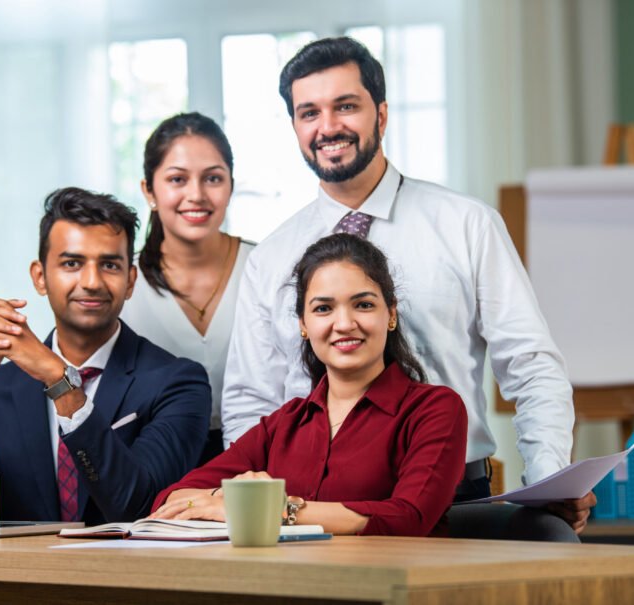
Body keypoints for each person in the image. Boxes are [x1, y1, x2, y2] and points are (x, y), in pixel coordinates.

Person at [220, 36, 594, 536]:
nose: (328, 126)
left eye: (346, 106)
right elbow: (251, 399)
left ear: (382, 113)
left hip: (454, 507)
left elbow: (529, 363)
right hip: (307, 514)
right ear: (294, 126)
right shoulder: (271, 258)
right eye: (309, 112)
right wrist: (258, 509)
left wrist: (548, 478)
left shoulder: (467, 224)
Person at [151, 234, 467, 537]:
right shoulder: (285, 423)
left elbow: (407, 517)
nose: (344, 324)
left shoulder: (435, 409)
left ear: (391, 314)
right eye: (323, 309)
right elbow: (170, 500)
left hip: (392, 586)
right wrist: (229, 496)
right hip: (291, 585)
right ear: (303, 324)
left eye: (364, 305)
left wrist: (272, 508)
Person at [0, 187, 211, 524]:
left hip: (132, 573)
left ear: (130, 281)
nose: (91, 282)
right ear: (40, 277)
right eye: (72, 263)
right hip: (19, 574)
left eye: (110, 265)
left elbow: (139, 507)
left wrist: (60, 381)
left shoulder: (180, 383)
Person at [122, 112, 254, 464]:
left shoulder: (265, 267)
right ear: (149, 190)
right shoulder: (120, 282)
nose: (196, 195)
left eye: (213, 178)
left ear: (230, 185)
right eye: (177, 179)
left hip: (257, 465)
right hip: (150, 464)